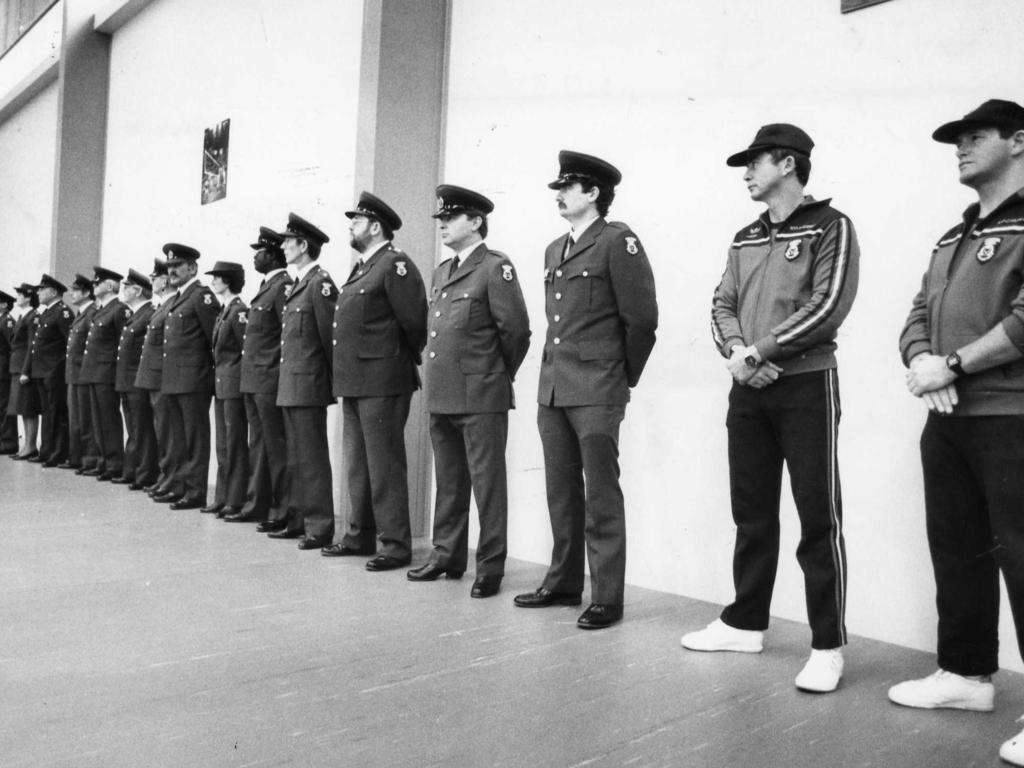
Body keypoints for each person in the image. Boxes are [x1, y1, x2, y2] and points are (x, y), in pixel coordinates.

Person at [680, 124, 860, 694]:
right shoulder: (745, 236)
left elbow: (828, 305)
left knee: (817, 517)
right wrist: (739, 354)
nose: (747, 172)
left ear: (787, 164)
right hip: (748, 387)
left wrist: (762, 350)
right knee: (751, 513)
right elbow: (721, 302)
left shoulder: (832, 226)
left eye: (755, 162)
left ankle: (828, 646)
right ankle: (745, 622)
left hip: (806, 386)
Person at [889, 99, 1024, 766]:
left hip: (1013, 417)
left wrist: (953, 363)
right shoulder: (953, 236)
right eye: (957, 140)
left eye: (976, 137)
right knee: (957, 549)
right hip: (948, 419)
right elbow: (918, 313)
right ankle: (967, 677)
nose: (961, 147)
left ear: (1019, 142)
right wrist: (924, 362)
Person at [513, 151, 658, 630]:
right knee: (560, 490)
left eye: (567, 187)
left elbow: (641, 320)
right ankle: (563, 582)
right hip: (554, 388)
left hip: (597, 387)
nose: (558, 195)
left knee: (600, 495)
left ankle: (607, 596)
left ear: (593, 193)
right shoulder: (555, 248)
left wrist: (619, 378)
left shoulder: (619, 241)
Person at [407, 185, 530, 597]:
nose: (442, 223)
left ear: (475, 222)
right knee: (449, 480)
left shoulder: (495, 267)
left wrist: (492, 376)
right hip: (443, 393)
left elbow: (516, 333)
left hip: (481, 395)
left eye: (451, 217)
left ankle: (490, 566)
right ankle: (446, 555)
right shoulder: (443, 271)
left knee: (487, 484)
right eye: (441, 218)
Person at [321, 192, 427, 569]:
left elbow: (415, 322)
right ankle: (358, 536)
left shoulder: (394, 265)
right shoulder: (364, 266)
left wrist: (394, 362)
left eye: (357, 220)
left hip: (384, 379)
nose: (351, 225)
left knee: (384, 466)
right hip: (354, 380)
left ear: (375, 226)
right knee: (358, 465)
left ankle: (395, 545)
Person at [272, 213, 338, 549]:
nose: (283, 246)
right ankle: (298, 519)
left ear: (304, 246)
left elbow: (330, 338)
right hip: (291, 383)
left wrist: (329, 382)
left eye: (288, 241)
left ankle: (319, 525)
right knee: (296, 456)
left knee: (311, 457)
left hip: (309, 383)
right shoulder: (299, 283)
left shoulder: (319, 284)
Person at [229, 227, 292, 527]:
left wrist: (273, 369)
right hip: (254, 379)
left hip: (268, 378)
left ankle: (281, 511)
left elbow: (287, 333)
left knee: (276, 448)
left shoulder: (282, 286)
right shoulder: (266, 286)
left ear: (272, 255)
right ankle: (258, 503)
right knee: (260, 445)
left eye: (259, 251)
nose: (254, 256)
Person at [157, 244, 219, 510]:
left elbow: (213, 339)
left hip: (194, 380)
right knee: (178, 438)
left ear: (192, 268)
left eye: (177, 266)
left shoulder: (201, 296)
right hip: (173, 380)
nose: (171, 271)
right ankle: (179, 486)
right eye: (169, 267)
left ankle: (195, 492)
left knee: (195, 439)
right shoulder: (178, 297)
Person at [204, 260, 249, 518]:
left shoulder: (239, 310)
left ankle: (235, 499)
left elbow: (246, 349)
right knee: (223, 445)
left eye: (217, 277)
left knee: (234, 445)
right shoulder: (225, 310)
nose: (213, 281)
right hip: (222, 384)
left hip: (233, 384)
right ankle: (222, 497)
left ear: (228, 281)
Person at [79, 267, 132, 480]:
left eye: (97, 283)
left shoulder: (119, 310)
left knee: (108, 419)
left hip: (106, 373)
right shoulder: (101, 310)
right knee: (97, 419)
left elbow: (122, 344)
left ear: (109, 286)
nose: (94, 286)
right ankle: (102, 460)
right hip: (93, 371)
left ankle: (114, 462)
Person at [134, 258, 181, 500]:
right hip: (154, 378)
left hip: (164, 378)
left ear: (165, 281)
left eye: (156, 277)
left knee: (168, 433)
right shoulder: (161, 305)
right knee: (160, 431)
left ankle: (171, 479)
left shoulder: (173, 303)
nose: (152, 280)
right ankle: (165, 477)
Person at [21, 274, 73, 466]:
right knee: (47, 411)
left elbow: (70, 343)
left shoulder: (63, 312)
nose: (38, 293)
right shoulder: (47, 312)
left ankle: (57, 453)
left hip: (54, 371)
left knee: (56, 412)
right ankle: (46, 450)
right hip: (41, 370)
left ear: (53, 292)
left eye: (42, 289)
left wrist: (60, 368)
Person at [113, 269, 157, 490]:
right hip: (127, 381)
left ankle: (145, 473)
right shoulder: (135, 315)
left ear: (138, 290)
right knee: (133, 428)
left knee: (142, 429)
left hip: (137, 381)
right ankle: (132, 470)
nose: (123, 292)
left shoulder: (148, 313)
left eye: (126, 287)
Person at [62, 274, 99, 472]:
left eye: (76, 290)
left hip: (83, 373)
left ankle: (90, 458)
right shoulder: (81, 313)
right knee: (75, 419)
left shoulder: (92, 312)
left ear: (86, 292)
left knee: (85, 419)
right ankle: (77, 457)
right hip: (74, 373)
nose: (71, 294)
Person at [8, 284, 40, 460]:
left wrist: (26, 370)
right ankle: (26, 445)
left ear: (28, 297)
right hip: (17, 367)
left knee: (29, 408)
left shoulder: (32, 317)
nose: (17, 297)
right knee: (21, 407)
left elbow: (31, 346)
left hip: (23, 368)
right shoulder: (23, 316)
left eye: (20, 294)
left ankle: (31, 445)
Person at [0, 289, 17, 453]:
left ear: (4, 305)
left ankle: (8, 441)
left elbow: (14, 345)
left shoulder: (7, 321)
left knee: (4, 406)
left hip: (3, 371)